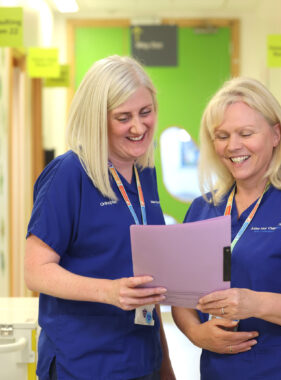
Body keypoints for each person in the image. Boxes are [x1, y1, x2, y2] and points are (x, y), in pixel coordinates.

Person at [172, 77, 281, 379]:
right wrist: (196, 333)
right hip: (222, 370)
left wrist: (253, 302)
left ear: (275, 134)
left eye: (246, 133)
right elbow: (182, 297)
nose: (233, 146)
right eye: (222, 135)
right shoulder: (203, 209)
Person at [25, 55, 175, 380]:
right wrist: (108, 292)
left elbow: (146, 282)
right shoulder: (69, 174)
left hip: (141, 360)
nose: (139, 127)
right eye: (124, 117)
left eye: (145, 112)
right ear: (97, 119)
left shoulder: (144, 173)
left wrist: (165, 368)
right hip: (82, 363)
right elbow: (35, 272)